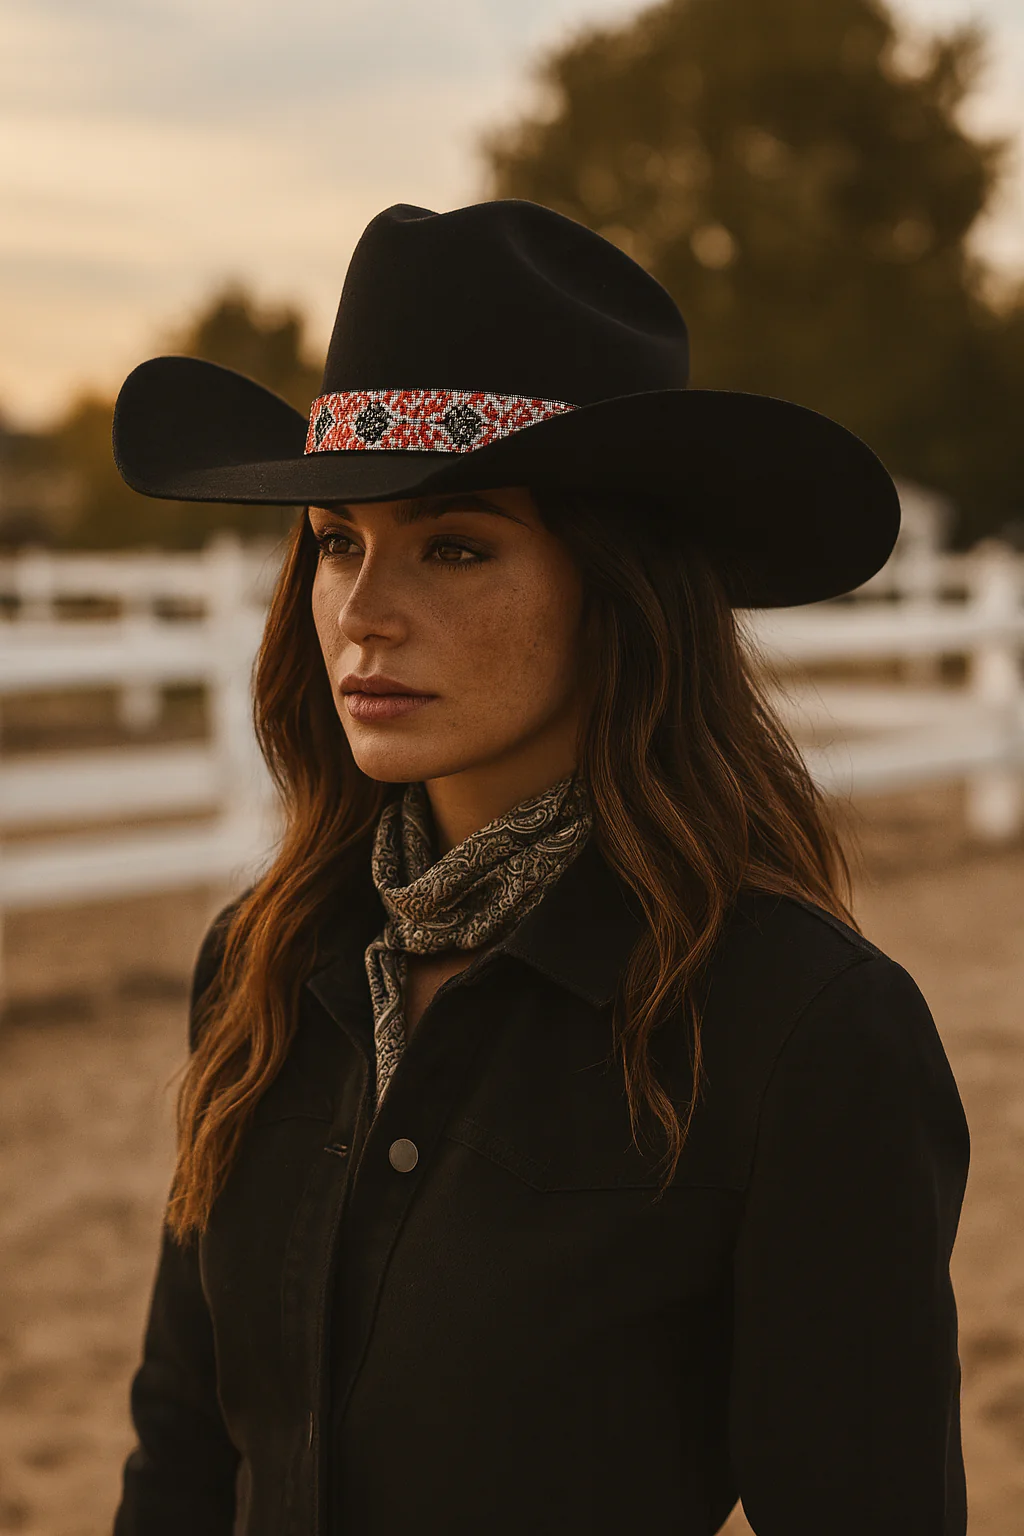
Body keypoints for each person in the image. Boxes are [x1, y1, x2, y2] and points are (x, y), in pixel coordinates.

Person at [109, 200, 970, 1536]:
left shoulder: (801, 1029)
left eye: (454, 544)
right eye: (338, 542)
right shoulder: (264, 959)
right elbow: (184, 1453)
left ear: (617, 589)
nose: (365, 612)